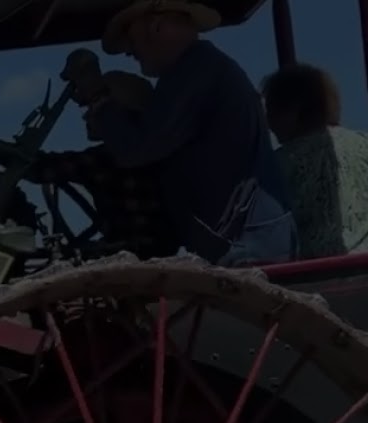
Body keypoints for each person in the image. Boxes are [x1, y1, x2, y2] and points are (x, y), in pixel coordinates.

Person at [64, 0, 298, 266]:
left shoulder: (195, 71)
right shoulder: (199, 69)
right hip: (246, 243)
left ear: (157, 26)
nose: (129, 51)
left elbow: (137, 148)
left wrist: (98, 96)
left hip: (248, 251)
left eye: (130, 37)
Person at [23, 71, 176, 258]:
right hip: (153, 255)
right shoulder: (158, 152)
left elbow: (43, 168)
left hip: (131, 256)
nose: (86, 116)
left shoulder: (109, 159)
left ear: (119, 112)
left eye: (94, 107)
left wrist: (1, 154)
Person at [262, 62, 368, 257]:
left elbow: (269, 233)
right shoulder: (364, 143)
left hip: (317, 271)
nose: (268, 123)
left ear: (292, 111)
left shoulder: (278, 164)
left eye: (271, 111)